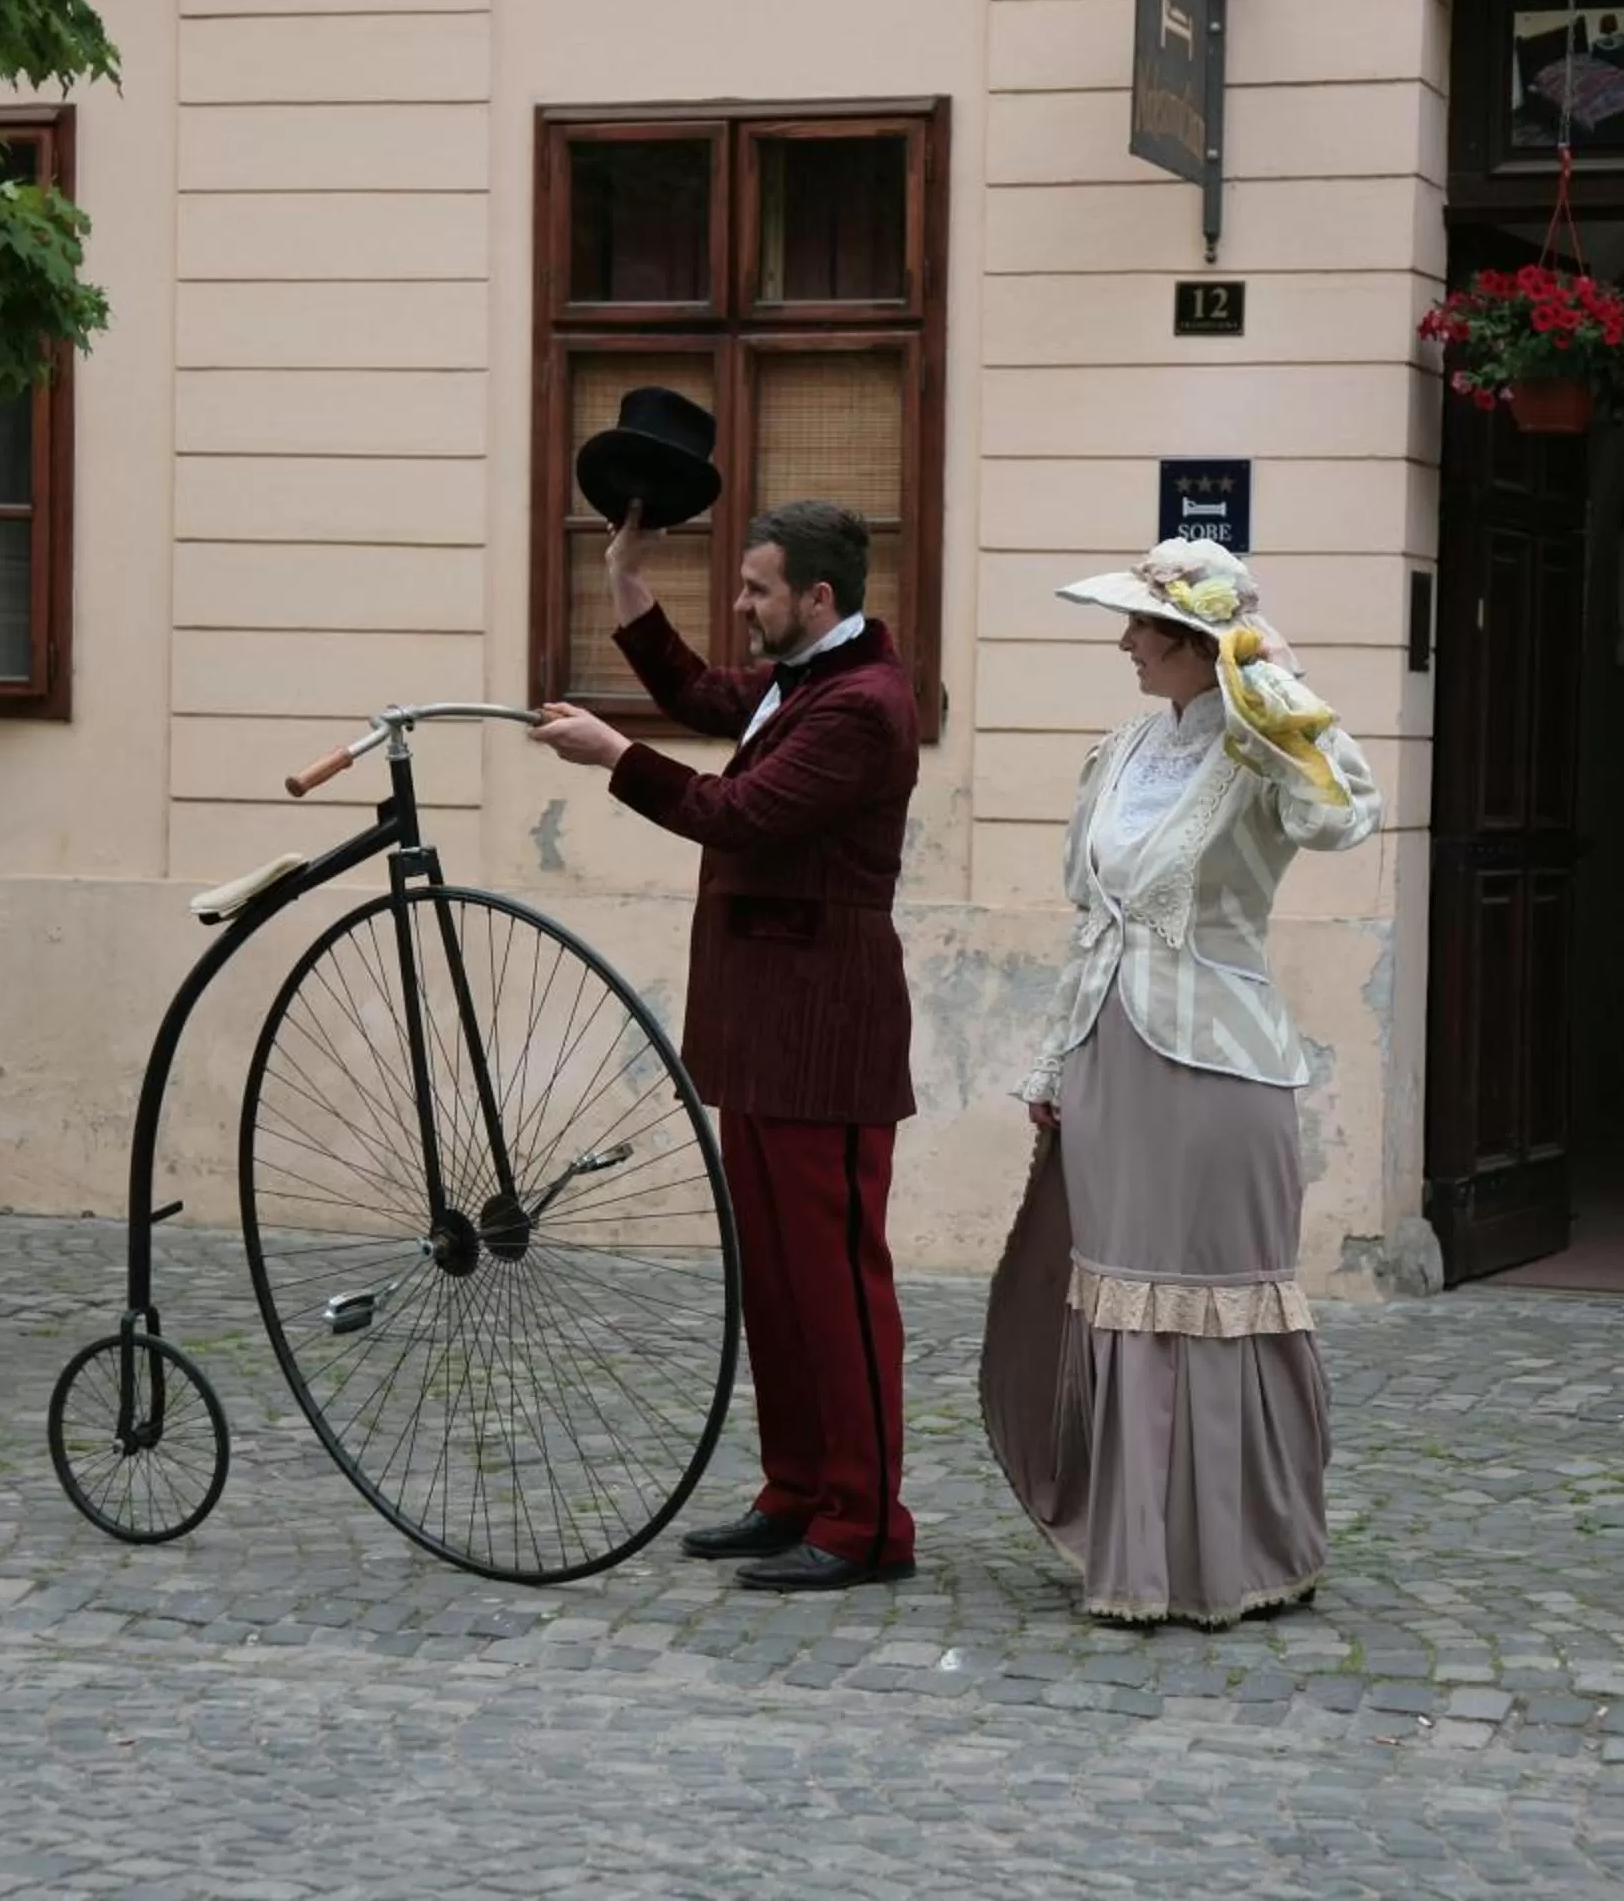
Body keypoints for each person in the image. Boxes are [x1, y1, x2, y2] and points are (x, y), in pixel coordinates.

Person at [979, 538, 1381, 1628]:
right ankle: (1138, 1557)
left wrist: (1278, 682)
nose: (1123, 642)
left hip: (1220, 1068)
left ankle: (1242, 1553)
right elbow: (1090, 923)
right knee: (1118, 1297)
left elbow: (1346, 813)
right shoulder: (1117, 753)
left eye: (1143, 627)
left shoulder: (1261, 753)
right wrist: (1054, 1057)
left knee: (1214, 1302)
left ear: (1199, 644)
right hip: (1110, 1059)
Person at [530, 494, 922, 1594]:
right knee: (778, 1283)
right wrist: (623, 578)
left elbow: (735, 812)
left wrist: (615, 755)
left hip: (824, 1031)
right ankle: (797, 1489)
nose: (741, 605)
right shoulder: (805, 680)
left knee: (836, 1284)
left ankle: (868, 1521)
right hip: (761, 1025)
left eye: (756, 589)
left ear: (818, 596)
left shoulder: (863, 705)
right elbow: (701, 695)